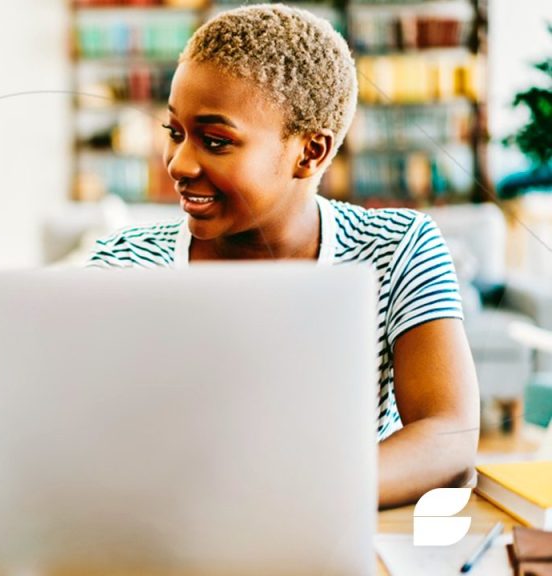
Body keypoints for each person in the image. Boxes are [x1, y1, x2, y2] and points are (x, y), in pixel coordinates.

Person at [87, 4, 479, 509]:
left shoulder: (396, 248)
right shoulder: (124, 263)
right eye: (175, 132)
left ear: (310, 152)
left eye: (215, 141)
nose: (180, 164)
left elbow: (448, 434)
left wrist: (290, 499)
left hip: (327, 539)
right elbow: (87, 441)